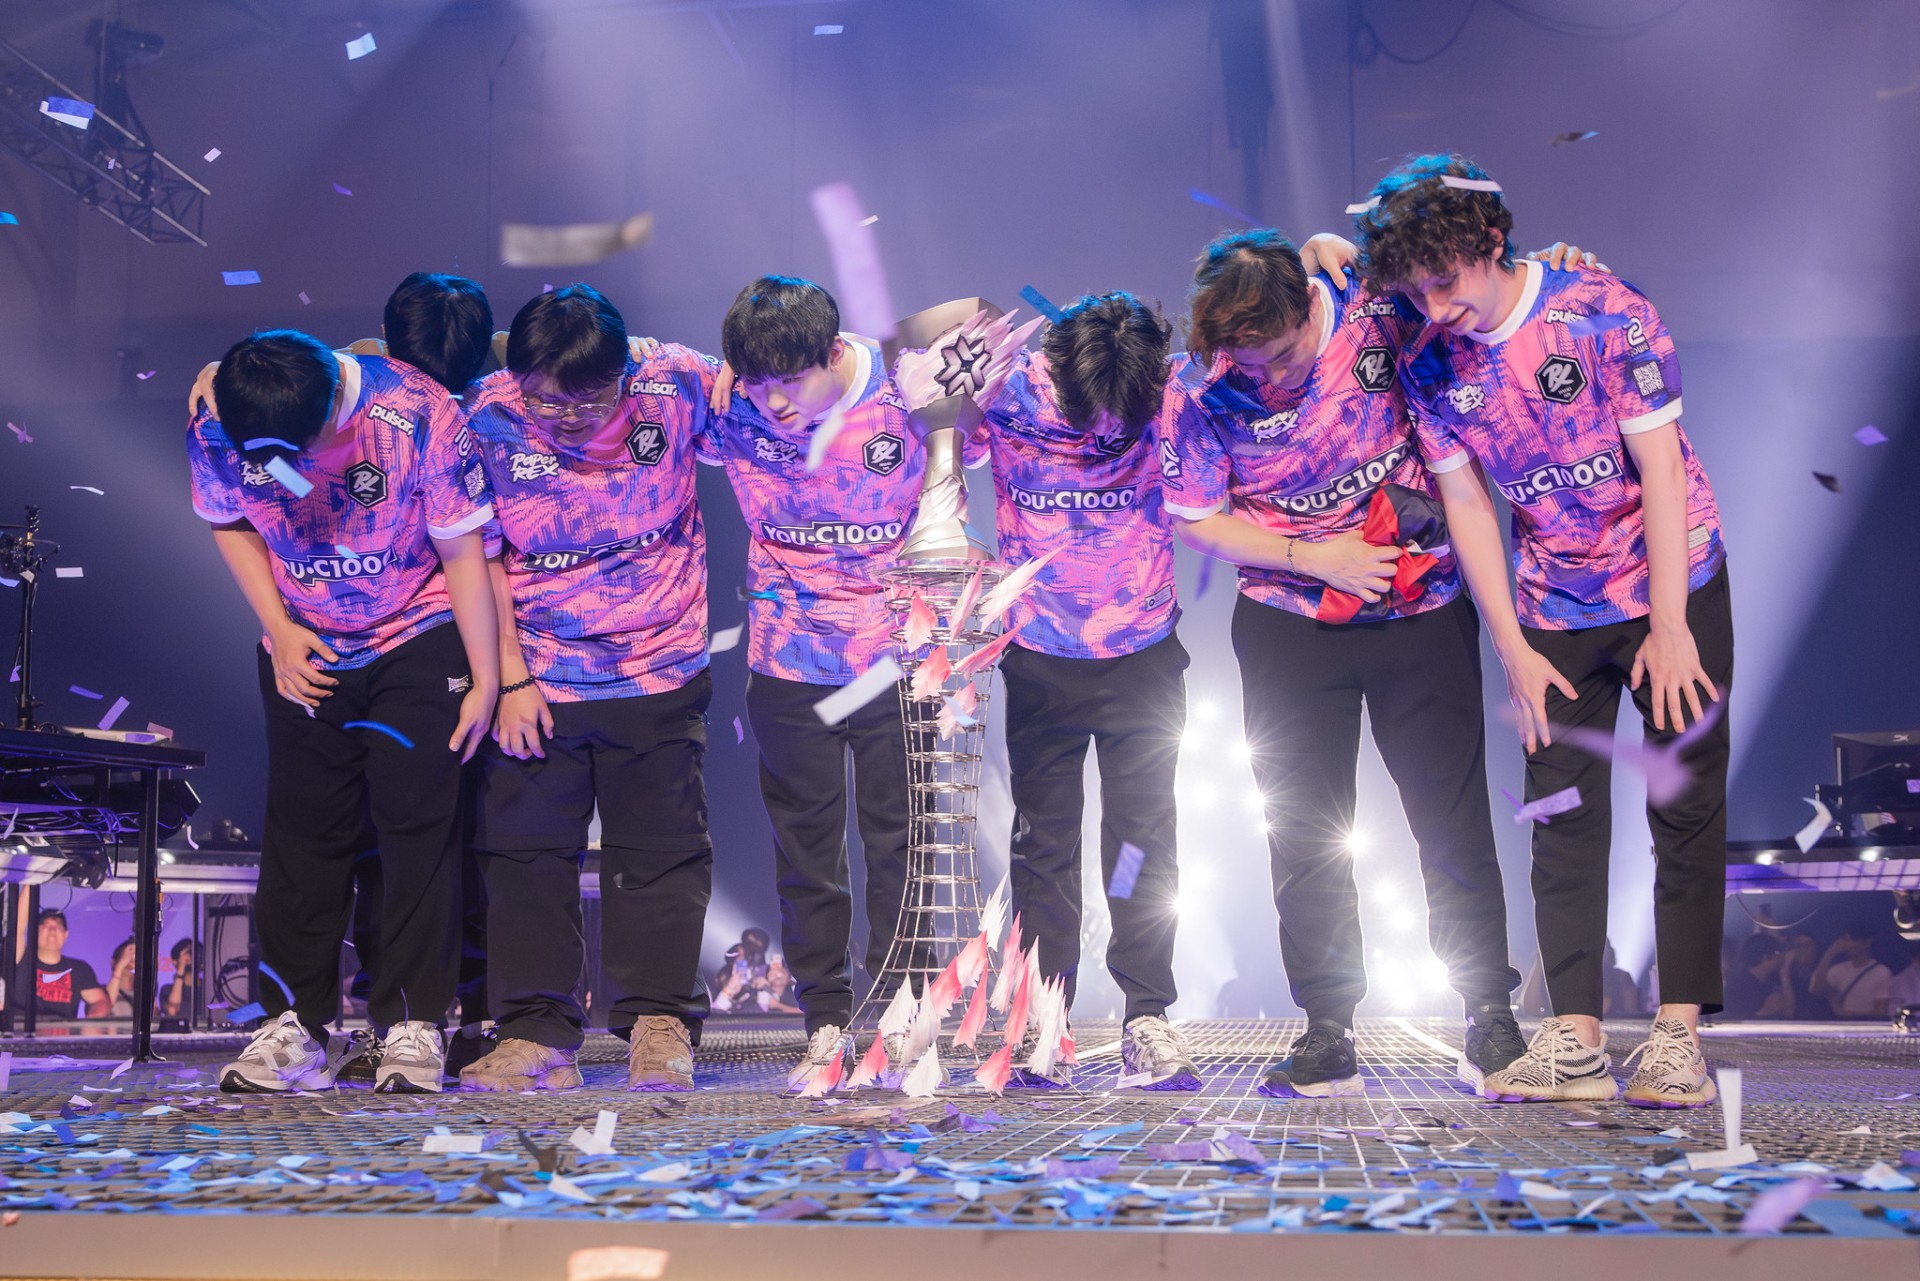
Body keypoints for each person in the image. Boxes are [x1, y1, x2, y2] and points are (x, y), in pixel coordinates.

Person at [1359, 153, 1734, 1107]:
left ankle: (1679, 1035)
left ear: (1491, 241)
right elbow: (1468, 505)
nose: (1435, 305)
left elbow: (1661, 471)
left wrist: (1671, 624)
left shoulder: (1604, 311)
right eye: (1417, 289)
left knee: (1683, 802)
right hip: (1553, 603)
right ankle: (1575, 1039)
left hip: (1669, 581)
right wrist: (1514, 650)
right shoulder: (1428, 356)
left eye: (1446, 281)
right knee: (1559, 813)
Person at [1163, 227, 1526, 1098]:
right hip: (1289, 621)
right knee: (1304, 832)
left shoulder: (1374, 306)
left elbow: (1468, 278)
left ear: (1306, 307)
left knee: (1449, 819)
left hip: (1419, 607)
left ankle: (1489, 1010)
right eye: (1250, 360)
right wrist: (1310, 556)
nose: (1270, 376)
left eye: (1285, 353)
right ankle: (1328, 1025)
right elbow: (1195, 516)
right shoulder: (1202, 386)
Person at [189, 328, 499, 1093]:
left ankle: (413, 1023)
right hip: (307, 641)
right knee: (304, 834)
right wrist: (278, 626)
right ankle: (293, 1027)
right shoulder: (219, 422)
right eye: (280, 461)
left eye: (312, 450)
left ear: (334, 400)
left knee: (416, 828)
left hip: (415, 629)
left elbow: (463, 551)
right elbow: (228, 520)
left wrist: (487, 676)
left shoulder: (417, 412)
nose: (301, 472)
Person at [457, 284, 717, 1093]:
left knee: (661, 854)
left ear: (623, 373)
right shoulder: (484, 414)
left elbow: (787, 376)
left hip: (660, 662)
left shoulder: (677, 379)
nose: (566, 418)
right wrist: (509, 675)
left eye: (589, 400)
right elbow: (477, 554)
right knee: (525, 856)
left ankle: (658, 1022)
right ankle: (535, 1031)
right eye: (545, 400)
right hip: (539, 676)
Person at [698, 276, 932, 1093]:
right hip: (788, 662)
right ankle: (826, 1019)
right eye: (757, 384)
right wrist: (728, 379)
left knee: (899, 843)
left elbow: (986, 360)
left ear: (834, 352)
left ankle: (902, 1014)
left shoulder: (906, 392)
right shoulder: (728, 404)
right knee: (808, 855)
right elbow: (629, 371)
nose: (775, 404)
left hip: (896, 658)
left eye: (791, 382)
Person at [969, 292, 1199, 1089]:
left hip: (1143, 659)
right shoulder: (1007, 389)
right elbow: (912, 389)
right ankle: (1045, 1019)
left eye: (1120, 417)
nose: (1105, 430)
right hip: (1041, 661)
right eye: (1091, 410)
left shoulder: (1170, 388)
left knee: (1140, 843)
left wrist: (1324, 247)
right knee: (1045, 847)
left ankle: (1146, 1015)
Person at [7, 910, 109, 1019]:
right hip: (22, 1028)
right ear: (34, 932)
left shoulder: (79, 969)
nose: (52, 930)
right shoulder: (21, 959)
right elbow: (17, 927)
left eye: (59, 927)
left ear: (66, 935)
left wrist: (93, 1019)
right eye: (46, 926)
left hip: (62, 1029)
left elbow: (100, 1001)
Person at [1812, 929, 1893, 1019]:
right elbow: (1816, 989)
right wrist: (1830, 953)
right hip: (1840, 1024)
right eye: (1846, 941)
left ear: (1867, 942)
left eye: (1853, 940)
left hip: (1867, 1025)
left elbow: (1881, 1011)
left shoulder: (1881, 972)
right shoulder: (1837, 970)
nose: (1849, 945)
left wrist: (1848, 1014)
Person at [160, 938, 195, 1020]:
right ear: (175, 962)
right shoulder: (166, 990)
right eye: (187, 953)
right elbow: (172, 1011)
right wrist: (182, 967)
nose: (190, 956)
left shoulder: (207, 991)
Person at [102, 938, 138, 1018]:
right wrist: (119, 967)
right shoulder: (100, 993)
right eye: (129, 958)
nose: (132, 961)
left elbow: (155, 1019)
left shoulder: (142, 994)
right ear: (113, 962)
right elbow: (104, 1007)